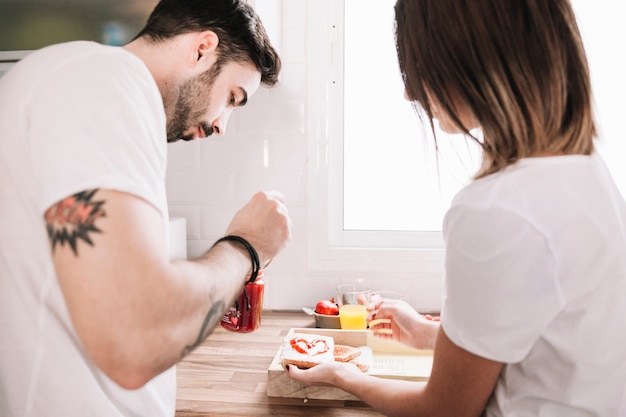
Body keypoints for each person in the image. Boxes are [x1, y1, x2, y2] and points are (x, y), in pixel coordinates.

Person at [286, 0, 626, 416]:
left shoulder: (497, 210)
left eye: (418, 66)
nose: (410, 91)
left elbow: (444, 410)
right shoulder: (588, 173)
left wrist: (344, 375)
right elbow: (542, 344)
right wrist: (430, 335)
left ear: (469, 60)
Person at [0, 1, 291, 416]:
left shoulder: (73, 79)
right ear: (202, 49)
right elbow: (134, 337)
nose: (221, 125)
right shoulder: (109, 80)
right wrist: (247, 245)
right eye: (231, 97)